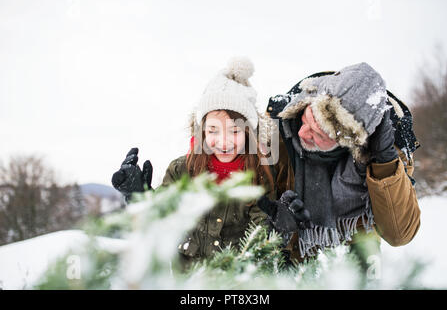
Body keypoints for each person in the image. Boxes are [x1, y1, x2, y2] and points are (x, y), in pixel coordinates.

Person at [111, 57, 304, 267]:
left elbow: (261, 237)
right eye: (213, 130)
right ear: (202, 130)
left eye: (235, 130)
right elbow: (161, 221)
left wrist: (279, 226)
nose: (223, 141)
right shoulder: (182, 170)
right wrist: (139, 197)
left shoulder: (259, 174)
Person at [258, 62, 421, 265]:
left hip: (357, 266)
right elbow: (242, 205)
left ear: (349, 142)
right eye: (305, 120)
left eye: (318, 133)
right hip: (290, 265)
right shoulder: (275, 133)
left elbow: (399, 234)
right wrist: (273, 222)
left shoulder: (388, 150)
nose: (301, 133)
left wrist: (384, 162)